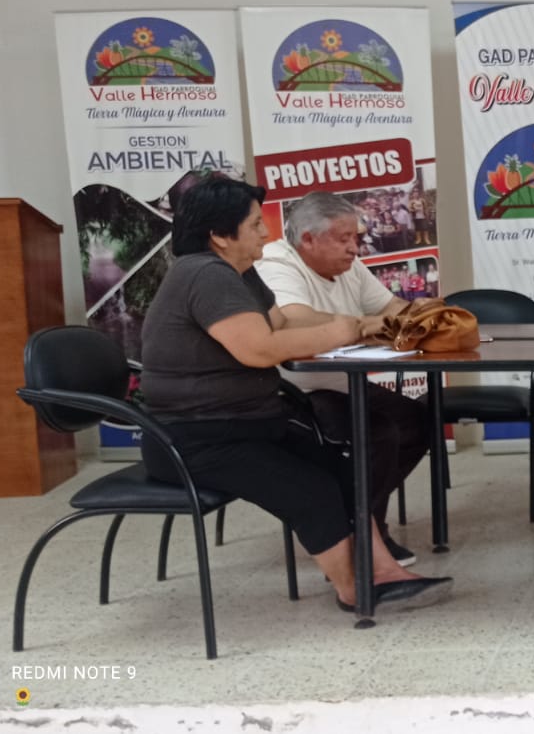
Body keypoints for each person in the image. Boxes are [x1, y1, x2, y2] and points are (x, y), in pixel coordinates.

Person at [137, 176, 450, 612]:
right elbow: (260, 349)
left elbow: (281, 322)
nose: (265, 233)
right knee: (312, 490)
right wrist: (340, 331)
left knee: (347, 474)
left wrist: (358, 326)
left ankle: (383, 571)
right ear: (220, 236)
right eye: (254, 225)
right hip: (195, 437)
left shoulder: (240, 273)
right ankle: (355, 590)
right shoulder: (205, 275)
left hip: (247, 421)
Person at [255, 191, 433, 567]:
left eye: (355, 237)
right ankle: (364, 536)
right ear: (308, 239)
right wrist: (364, 326)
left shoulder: (348, 264)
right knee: (379, 433)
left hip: (344, 383)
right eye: (344, 238)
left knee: (419, 422)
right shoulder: (277, 262)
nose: (355, 247)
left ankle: (354, 521)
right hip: (296, 392)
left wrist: (421, 315)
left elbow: (390, 307)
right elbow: (294, 319)